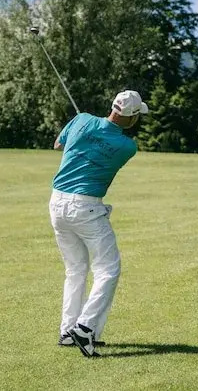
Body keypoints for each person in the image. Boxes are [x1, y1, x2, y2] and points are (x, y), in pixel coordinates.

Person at [49, 90, 148, 357]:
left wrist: (82, 130)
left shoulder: (82, 119)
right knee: (108, 269)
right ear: (131, 118)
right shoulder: (127, 147)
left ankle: (68, 331)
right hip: (86, 206)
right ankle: (84, 328)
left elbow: (58, 145)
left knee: (76, 270)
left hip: (56, 203)